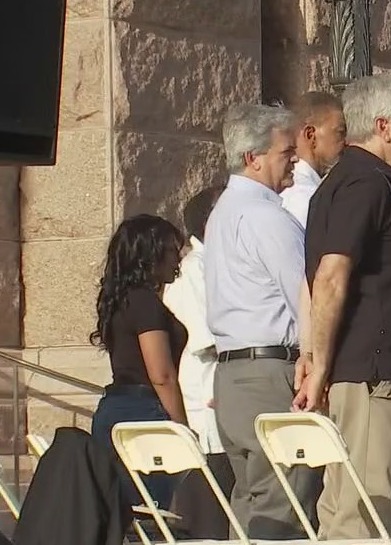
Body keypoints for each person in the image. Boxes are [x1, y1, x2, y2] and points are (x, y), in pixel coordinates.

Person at [296, 73, 391, 540]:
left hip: (366, 375)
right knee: (362, 515)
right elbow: (330, 277)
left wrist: (310, 355)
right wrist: (318, 365)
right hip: (371, 380)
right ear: (383, 126)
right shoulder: (362, 184)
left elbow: (317, 281)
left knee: (350, 510)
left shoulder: (352, 183)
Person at [204, 103, 321, 539]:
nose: (294, 159)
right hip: (270, 372)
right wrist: (317, 362)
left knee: (250, 503)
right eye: (284, 151)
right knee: (283, 502)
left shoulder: (221, 214)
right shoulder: (266, 216)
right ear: (253, 158)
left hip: (232, 373)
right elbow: (307, 297)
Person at [89, 213, 188, 509]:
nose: (177, 259)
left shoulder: (121, 301)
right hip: (144, 410)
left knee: (123, 510)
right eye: (171, 250)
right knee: (150, 509)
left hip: (115, 407)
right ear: (150, 255)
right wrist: (181, 427)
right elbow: (161, 374)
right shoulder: (144, 303)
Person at [163, 186, 235, 539]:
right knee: (210, 510)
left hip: (225, 394)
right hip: (209, 395)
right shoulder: (193, 269)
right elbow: (210, 336)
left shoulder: (219, 264)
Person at [280, 91, 347, 227]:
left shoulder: (288, 190)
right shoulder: (309, 198)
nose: (346, 142)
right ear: (311, 135)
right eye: (340, 132)